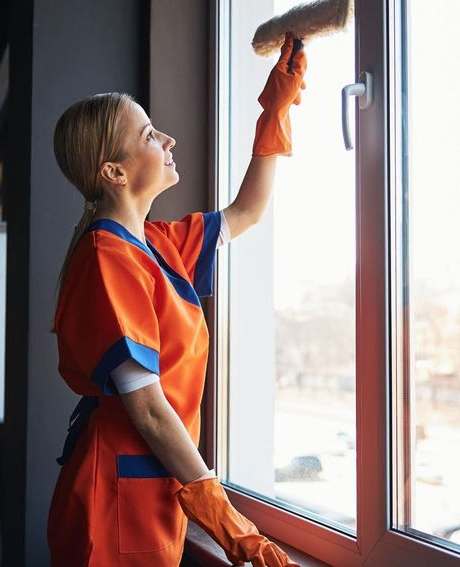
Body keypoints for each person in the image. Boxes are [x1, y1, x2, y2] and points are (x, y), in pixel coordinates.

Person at [48, 33, 306, 566]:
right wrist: (228, 519)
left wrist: (274, 112)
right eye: (148, 135)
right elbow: (147, 408)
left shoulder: (159, 244)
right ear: (114, 173)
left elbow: (248, 211)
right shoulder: (106, 258)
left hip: (153, 496)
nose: (168, 139)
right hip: (111, 511)